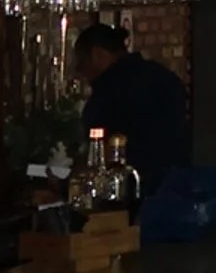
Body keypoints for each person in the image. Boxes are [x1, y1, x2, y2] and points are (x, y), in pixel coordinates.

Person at [72, 18, 192, 204]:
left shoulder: (108, 90)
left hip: (132, 194)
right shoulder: (162, 76)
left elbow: (99, 152)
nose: (81, 73)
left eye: (82, 63)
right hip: (179, 188)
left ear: (97, 55)